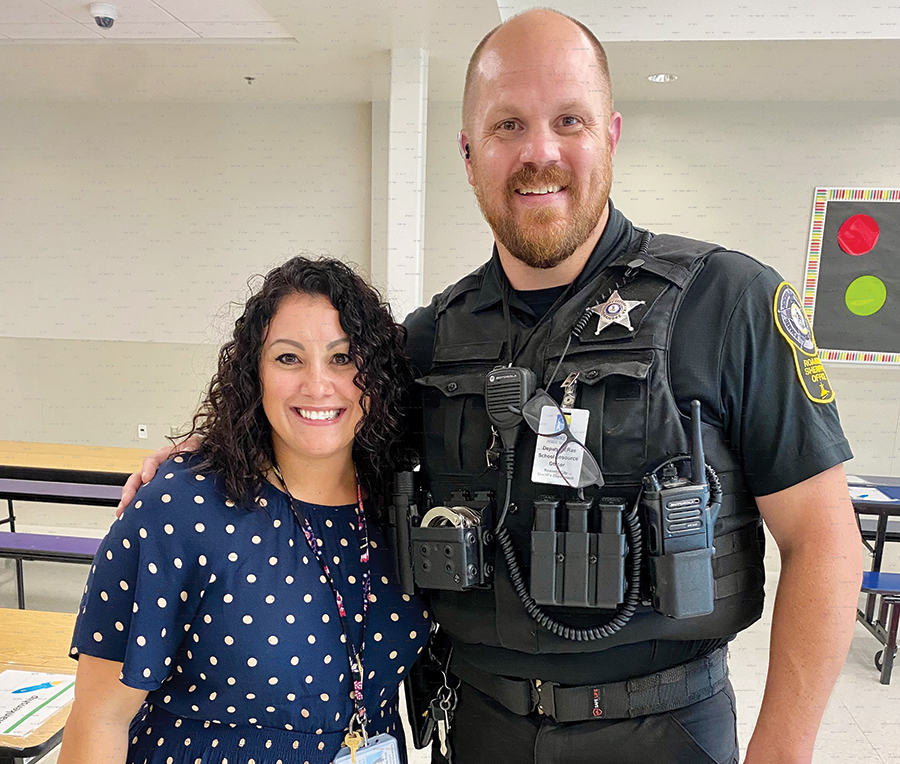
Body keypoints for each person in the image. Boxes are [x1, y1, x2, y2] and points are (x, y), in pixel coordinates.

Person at [119, 9, 863, 764]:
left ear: (609, 134)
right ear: (469, 155)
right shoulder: (426, 340)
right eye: (508, 126)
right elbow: (321, 433)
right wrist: (208, 454)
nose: (539, 152)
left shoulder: (726, 301)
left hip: (664, 733)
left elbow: (826, 539)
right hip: (476, 729)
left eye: (567, 119)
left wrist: (781, 754)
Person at [60, 256, 431, 764]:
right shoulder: (182, 509)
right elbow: (100, 717)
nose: (318, 385)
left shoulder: (401, 505)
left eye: (343, 358)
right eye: (288, 358)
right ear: (253, 373)